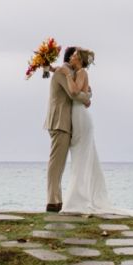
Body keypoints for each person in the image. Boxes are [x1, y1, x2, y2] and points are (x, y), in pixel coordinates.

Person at [61, 46, 133, 219]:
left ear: (79, 59)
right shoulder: (78, 73)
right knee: (80, 155)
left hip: (80, 116)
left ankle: (78, 199)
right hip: (79, 114)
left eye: (73, 55)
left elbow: (74, 91)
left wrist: (66, 75)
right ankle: (79, 196)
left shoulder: (81, 73)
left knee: (81, 155)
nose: (70, 58)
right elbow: (84, 93)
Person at [44, 45, 87, 211]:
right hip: (59, 122)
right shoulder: (64, 72)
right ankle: (52, 202)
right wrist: (87, 98)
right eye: (75, 56)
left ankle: (57, 200)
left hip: (62, 123)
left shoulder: (67, 72)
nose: (77, 59)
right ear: (70, 58)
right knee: (56, 164)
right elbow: (73, 94)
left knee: (59, 164)